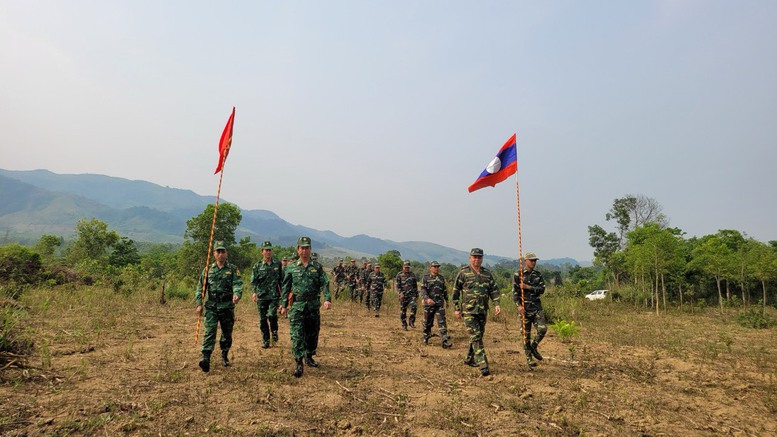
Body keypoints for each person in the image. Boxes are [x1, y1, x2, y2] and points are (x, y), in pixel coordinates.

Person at [279, 237, 332, 378]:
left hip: (313, 306)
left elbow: (325, 283)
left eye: (307, 247)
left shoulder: (317, 267)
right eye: (302, 248)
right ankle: (298, 362)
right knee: (296, 335)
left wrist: (327, 299)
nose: (304, 250)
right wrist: (283, 305)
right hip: (297, 306)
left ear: (310, 249)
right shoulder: (291, 268)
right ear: (298, 249)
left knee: (312, 334)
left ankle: (309, 356)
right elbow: (285, 287)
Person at [195, 241, 243, 372]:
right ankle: (206, 358)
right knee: (210, 331)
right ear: (214, 254)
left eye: (223, 252)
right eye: (218, 252)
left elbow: (238, 283)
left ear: (226, 253)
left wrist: (237, 294)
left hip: (227, 306)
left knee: (226, 333)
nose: (221, 254)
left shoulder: (232, 269)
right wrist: (199, 303)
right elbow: (201, 287)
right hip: (211, 306)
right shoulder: (208, 269)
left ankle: (224, 354)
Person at [453, 248, 501, 377]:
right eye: (474, 257)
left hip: (482, 310)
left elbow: (494, 290)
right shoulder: (463, 273)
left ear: (482, 259)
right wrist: (456, 308)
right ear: (470, 258)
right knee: (476, 336)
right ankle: (483, 364)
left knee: (478, 335)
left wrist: (497, 304)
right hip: (469, 311)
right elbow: (456, 292)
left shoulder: (487, 274)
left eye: (479, 257)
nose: (477, 259)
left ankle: (469, 358)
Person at [513, 252, 547, 367]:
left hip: (536, 307)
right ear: (525, 261)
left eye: (535, 261)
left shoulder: (538, 275)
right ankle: (529, 357)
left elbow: (542, 289)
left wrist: (528, 287)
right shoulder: (519, 274)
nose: (533, 262)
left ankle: (534, 346)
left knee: (542, 329)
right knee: (525, 335)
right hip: (524, 309)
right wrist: (519, 306)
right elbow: (515, 293)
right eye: (531, 260)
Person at [250, 241, 283, 349]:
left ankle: (274, 330)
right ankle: (266, 340)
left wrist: (283, 295)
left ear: (272, 251)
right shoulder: (257, 266)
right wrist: (254, 292)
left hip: (274, 296)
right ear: (262, 252)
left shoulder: (277, 264)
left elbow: (282, 280)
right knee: (263, 319)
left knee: (272, 314)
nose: (268, 252)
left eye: (270, 250)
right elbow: (253, 281)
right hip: (262, 296)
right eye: (266, 250)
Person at [420, 261, 451, 348]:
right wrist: (427, 299)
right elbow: (423, 290)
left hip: (439, 304)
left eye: (437, 267)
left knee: (442, 322)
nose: (436, 268)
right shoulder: (425, 278)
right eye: (434, 267)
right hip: (429, 304)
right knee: (427, 322)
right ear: (430, 268)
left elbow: (444, 290)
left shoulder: (441, 278)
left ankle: (444, 341)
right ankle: (426, 336)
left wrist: (447, 300)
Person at [395, 261, 419, 330]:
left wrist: (416, 294)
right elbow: (397, 286)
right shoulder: (399, 274)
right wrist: (400, 293)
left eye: (408, 267)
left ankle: (411, 321)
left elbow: (415, 285)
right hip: (403, 295)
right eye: (405, 267)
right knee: (403, 310)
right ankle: (404, 324)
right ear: (403, 267)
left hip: (412, 295)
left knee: (414, 306)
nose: (406, 269)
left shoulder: (412, 275)